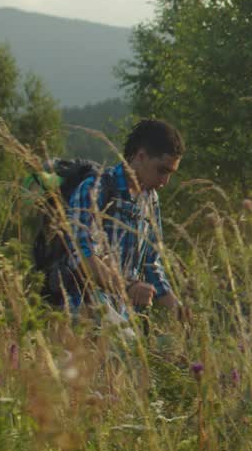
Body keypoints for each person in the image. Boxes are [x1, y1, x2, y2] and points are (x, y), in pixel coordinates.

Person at [67, 118, 184, 322]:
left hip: (122, 319)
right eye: (162, 170)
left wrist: (177, 308)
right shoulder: (96, 188)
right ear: (140, 156)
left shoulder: (150, 200)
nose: (165, 181)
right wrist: (127, 287)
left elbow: (150, 263)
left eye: (170, 173)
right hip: (85, 314)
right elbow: (81, 257)